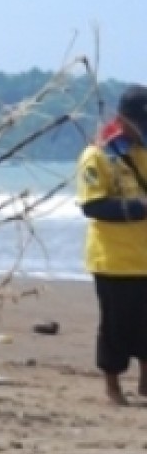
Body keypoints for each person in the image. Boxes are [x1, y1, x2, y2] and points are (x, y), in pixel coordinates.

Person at [77, 85, 147, 405]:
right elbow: (92, 206)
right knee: (115, 327)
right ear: (122, 119)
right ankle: (113, 387)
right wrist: (140, 209)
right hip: (113, 259)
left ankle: (146, 384)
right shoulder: (97, 155)